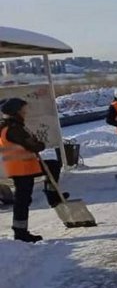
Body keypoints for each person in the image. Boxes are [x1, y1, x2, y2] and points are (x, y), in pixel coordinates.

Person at [0, 98, 66, 243]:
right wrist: (38, 143)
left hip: (27, 166)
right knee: (22, 201)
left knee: (53, 165)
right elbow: (34, 146)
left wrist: (33, 142)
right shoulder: (14, 129)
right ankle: (20, 233)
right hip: (21, 169)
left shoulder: (13, 126)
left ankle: (52, 195)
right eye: (23, 109)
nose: (26, 111)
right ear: (16, 111)